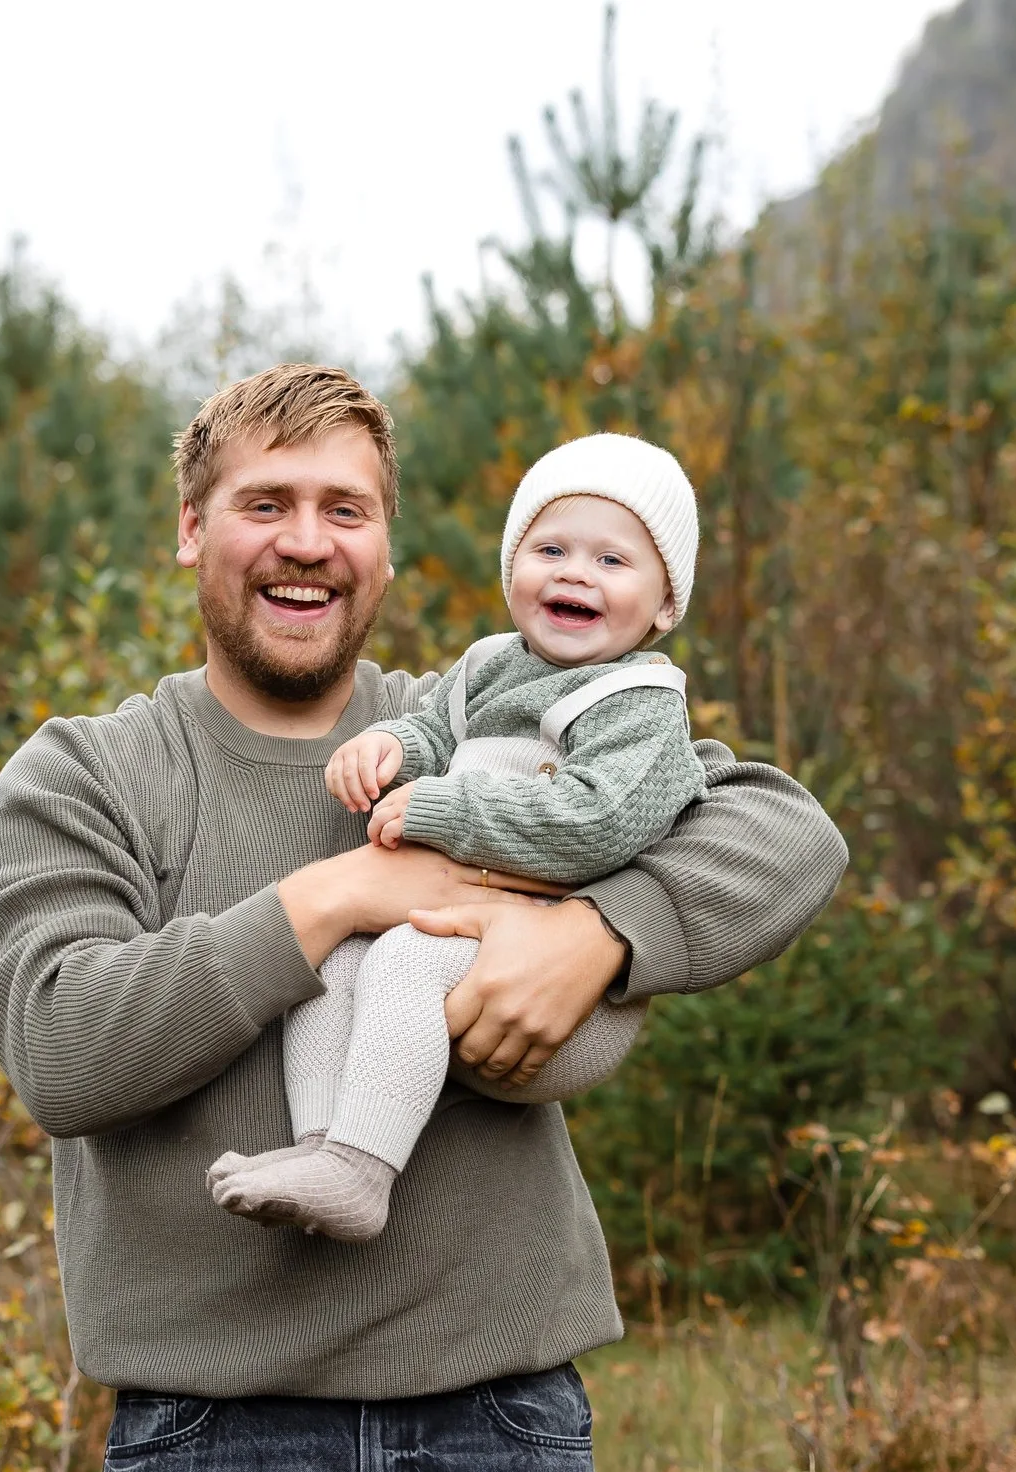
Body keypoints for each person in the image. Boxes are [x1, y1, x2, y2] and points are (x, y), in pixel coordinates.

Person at [0, 364, 847, 1472]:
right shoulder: (93, 771)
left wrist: (601, 931)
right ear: (192, 527)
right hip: (210, 1446)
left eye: (347, 507)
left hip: (499, 1436)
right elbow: (61, 1046)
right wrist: (338, 895)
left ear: (386, 543)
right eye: (267, 501)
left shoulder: (488, 715)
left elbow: (782, 826)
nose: (309, 540)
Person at [210, 433, 710, 1243]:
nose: (576, 572)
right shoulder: (489, 667)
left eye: (613, 561)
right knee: (333, 961)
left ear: (664, 604)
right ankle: (324, 1152)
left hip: (559, 1004)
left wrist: (442, 809)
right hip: (458, 946)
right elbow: (434, 735)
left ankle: (363, 1174)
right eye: (550, 548)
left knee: (402, 957)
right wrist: (392, 750)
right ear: (514, 569)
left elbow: (598, 822)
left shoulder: (639, 702)